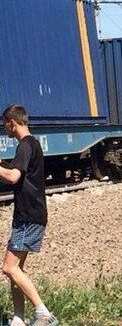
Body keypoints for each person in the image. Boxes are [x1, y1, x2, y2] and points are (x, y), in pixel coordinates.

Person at [0, 105, 58, 326]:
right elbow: (19, 174)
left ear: (12, 123)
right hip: (29, 215)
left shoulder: (25, 146)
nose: (4, 128)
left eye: (4, 123)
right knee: (16, 270)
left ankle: (43, 314)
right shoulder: (32, 144)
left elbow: (14, 177)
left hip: (28, 216)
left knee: (9, 268)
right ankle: (18, 319)